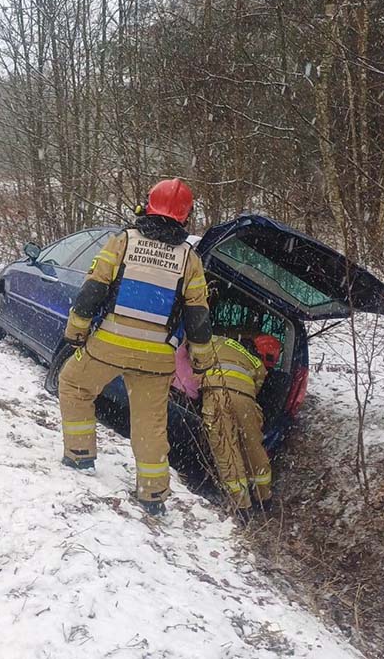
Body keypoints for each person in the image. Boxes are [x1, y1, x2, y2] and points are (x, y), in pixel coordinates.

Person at [58, 179, 214, 516]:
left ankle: (80, 455)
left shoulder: (123, 242)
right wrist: (201, 361)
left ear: (147, 207)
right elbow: (198, 317)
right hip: (157, 357)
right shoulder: (190, 260)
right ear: (185, 218)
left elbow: (93, 290)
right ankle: (153, 494)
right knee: (150, 423)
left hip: (109, 344)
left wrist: (76, 331)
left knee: (73, 384)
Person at [200, 334, 282, 520]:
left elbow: (194, 352)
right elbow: (256, 390)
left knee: (226, 449)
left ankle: (241, 507)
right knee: (254, 448)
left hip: (216, 393)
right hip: (246, 400)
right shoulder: (258, 365)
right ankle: (264, 498)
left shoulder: (217, 340)